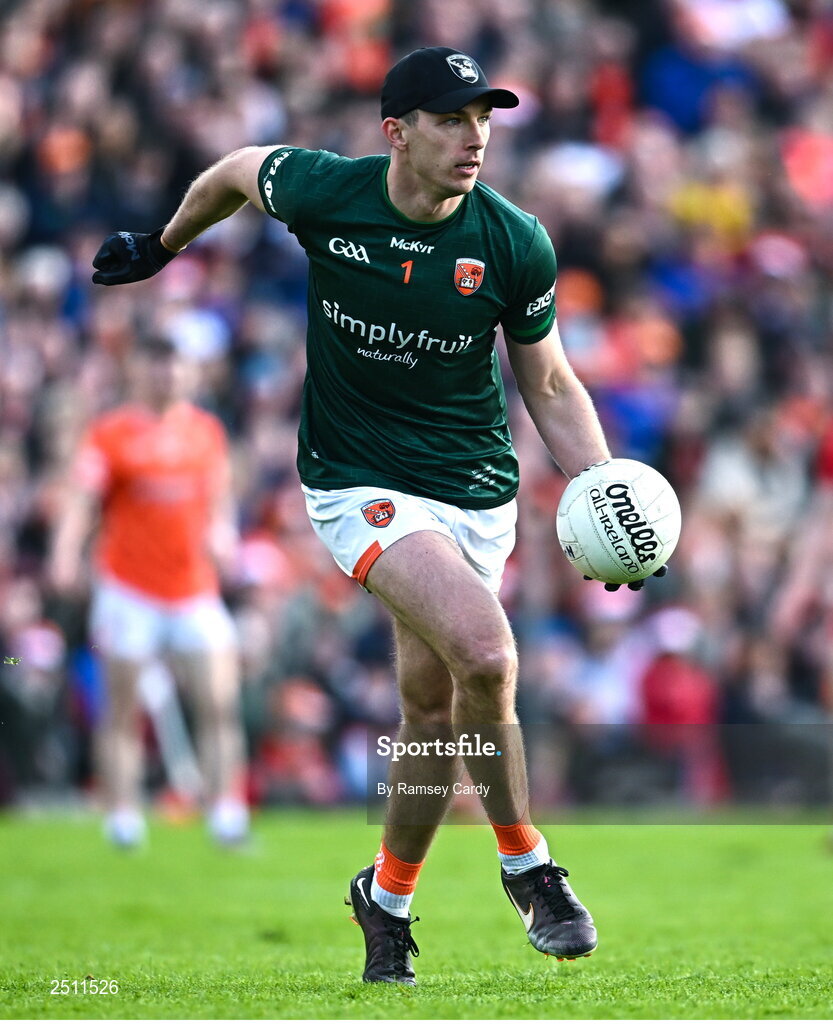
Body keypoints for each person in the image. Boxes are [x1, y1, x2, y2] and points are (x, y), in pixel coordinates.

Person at [89, 45, 663, 982]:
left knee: (432, 710)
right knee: (488, 653)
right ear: (396, 132)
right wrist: (164, 245)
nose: (473, 136)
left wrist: (603, 491)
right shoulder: (327, 192)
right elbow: (237, 170)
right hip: (357, 483)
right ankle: (529, 865)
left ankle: (385, 898)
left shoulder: (514, 240)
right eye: (449, 119)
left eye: (483, 117)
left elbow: (550, 382)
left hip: (475, 489)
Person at [48, 335, 249, 849]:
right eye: (158, 366)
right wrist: (65, 553)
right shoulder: (111, 433)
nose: (168, 376)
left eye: (176, 367)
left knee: (220, 702)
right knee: (121, 708)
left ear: (189, 373)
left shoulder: (205, 432)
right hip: (128, 588)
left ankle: (227, 811)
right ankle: (123, 816)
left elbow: (219, 499)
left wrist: (224, 535)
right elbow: (82, 501)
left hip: (193, 586)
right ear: (142, 371)